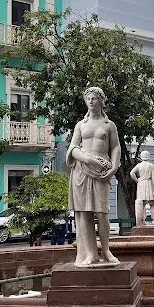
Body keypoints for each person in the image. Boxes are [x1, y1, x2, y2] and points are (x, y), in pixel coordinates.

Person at [66, 87, 120, 266]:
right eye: (88, 98)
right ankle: (90, 254)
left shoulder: (109, 125)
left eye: (94, 98)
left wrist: (113, 168)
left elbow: (115, 147)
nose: (90, 101)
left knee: (102, 213)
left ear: (101, 101)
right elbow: (73, 148)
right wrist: (89, 160)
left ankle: (105, 250)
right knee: (84, 214)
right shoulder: (80, 125)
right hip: (82, 172)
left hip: (102, 173)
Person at [130, 151, 154, 227]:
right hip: (148, 183)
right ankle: (153, 220)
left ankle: (143, 221)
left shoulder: (139, 165)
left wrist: (137, 180)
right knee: (151, 204)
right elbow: (153, 178)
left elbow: (132, 173)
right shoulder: (151, 165)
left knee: (143, 204)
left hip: (141, 184)